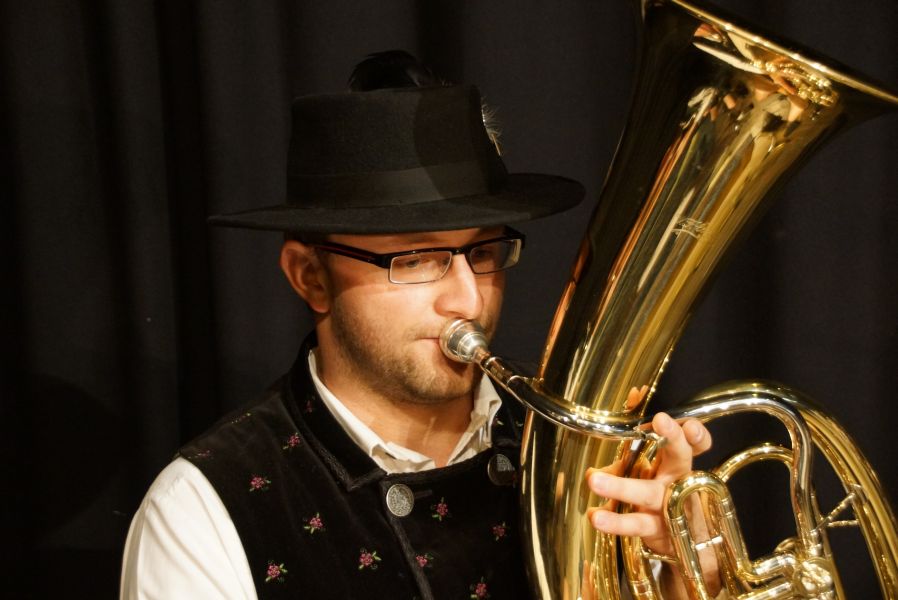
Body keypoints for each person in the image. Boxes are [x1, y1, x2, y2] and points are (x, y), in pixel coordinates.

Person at [120, 51, 714, 600]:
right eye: (416, 259)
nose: (467, 299)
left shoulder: (585, 449)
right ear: (310, 277)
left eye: (483, 252)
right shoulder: (202, 513)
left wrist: (687, 577)